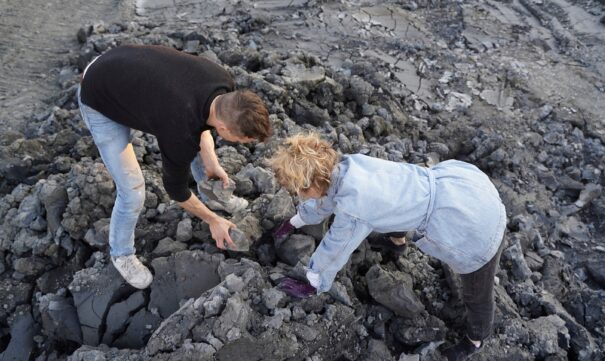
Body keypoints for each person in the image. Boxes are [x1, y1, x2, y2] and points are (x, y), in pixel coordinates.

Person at [268, 133, 506, 361]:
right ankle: (396, 242)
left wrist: (314, 281)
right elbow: (324, 201)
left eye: (300, 191)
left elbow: (335, 249)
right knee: (394, 204)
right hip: (462, 186)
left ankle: (476, 340)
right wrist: (294, 221)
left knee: (477, 294)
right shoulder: (348, 167)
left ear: (314, 183)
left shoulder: (353, 208)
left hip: (471, 222)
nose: (299, 195)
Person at [77, 44, 271, 289]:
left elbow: (201, 122)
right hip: (99, 95)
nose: (245, 143)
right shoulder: (178, 128)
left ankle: (211, 194)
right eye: (243, 139)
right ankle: (121, 253)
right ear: (225, 129)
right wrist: (212, 221)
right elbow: (175, 190)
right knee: (133, 191)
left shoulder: (223, 84)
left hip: (120, 63)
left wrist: (211, 163)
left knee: (195, 138)